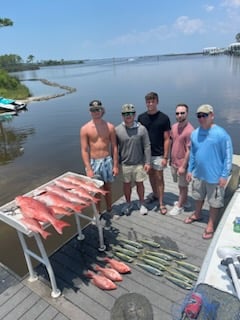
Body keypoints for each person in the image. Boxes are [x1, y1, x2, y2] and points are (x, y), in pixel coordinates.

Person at [184, 104, 233, 240]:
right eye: (199, 116)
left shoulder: (221, 134)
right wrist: (190, 169)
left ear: (212, 115)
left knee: (214, 202)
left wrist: (224, 175)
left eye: (204, 115)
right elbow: (193, 153)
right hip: (199, 174)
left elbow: (228, 156)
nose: (201, 118)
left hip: (215, 177)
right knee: (197, 197)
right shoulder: (195, 134)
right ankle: (197, 213)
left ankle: (210, 224)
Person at [80, 99, 119, 220]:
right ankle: (97, 213)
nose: (96, 112)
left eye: (98, 109)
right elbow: (84, 150)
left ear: (102, 110)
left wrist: (115, 165)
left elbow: (114, 146)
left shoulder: (110, 127)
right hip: (94, 162)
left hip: (107, 161)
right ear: (89, 111)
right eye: (93, 110)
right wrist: (88, 168)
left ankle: (110, 209)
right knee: (96, 191)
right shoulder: (85, 129)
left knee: (108, 188)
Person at [138, 92, 171, 215]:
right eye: (148, 101)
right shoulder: (141, 118)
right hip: (146, 155)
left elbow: (167, 139)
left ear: (157, 102)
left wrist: (166, 156)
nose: (150, 104)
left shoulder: (164, 118)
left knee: (159, 178)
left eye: (152, 101)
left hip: (159, 154)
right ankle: (156, 195)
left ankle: (162, 203)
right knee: (151, 175)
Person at [115, 104, 151, 216]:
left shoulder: (142, 129)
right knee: (126, 185)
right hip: (125, 164)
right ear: (122, 116)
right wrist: (115, 164)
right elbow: (115, 148)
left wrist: (148, 162)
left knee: (140, 184)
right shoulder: (117, 130)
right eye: (125, 114)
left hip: (139, 163)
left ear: (134, 114)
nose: (128, 116)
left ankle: (142, 203)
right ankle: (128, 203)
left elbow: (147, 146)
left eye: (130, 113)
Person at [169, 103, 194, 216]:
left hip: (183, 164)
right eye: (177, 113)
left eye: (182, 113)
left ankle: (179, 206)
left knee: (183, 186)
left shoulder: (190, 131)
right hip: (174, 162)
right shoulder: (174, 127)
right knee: (181, 185)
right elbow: (172, 142)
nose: (179, 115)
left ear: (187, 113)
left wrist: (183, 166)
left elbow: (189, 150)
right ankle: (185, 201)